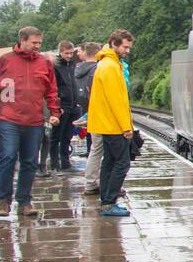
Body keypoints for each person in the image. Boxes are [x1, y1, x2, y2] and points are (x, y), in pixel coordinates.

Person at [0, 26, 61, 218]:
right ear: (22, 40)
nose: (37, 46)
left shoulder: (44, 63)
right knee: (7, 157)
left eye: (39, 43)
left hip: (34, 120)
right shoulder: (5, 61)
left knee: (30, 161)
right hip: (9, 118)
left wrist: (54, 111)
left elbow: (51, 89)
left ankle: (24, 201)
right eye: (34, 43)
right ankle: (3, 200)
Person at [88, 29, 135, 217]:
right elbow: (116, 100)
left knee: (109, 161)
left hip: (106, 123)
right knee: (122, 164)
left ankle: (105, 200)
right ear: (114, 44)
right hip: (113, 124)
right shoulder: (110, 67)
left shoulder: (108, 63)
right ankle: (109, 202)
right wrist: (126, 127)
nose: (127, 51)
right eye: (125, 47)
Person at [75, 42, 102, 191]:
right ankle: (94, 182)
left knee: (94, 148)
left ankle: (91, 181)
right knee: (99, 148)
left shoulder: (77, 69)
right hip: (98, 112)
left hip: (84, 109)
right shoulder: (98, 69)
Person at [51, 39, 80, 170]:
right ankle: (54, 163)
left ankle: (65, 163)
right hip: (62, 105)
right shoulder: (56, 66)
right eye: (66, 53)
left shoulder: (72, 65)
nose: (69, 55)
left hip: (73, 105)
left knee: (67, 136)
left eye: (70, 53)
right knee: (56, 136)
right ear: (60, 52)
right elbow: (53, 87)